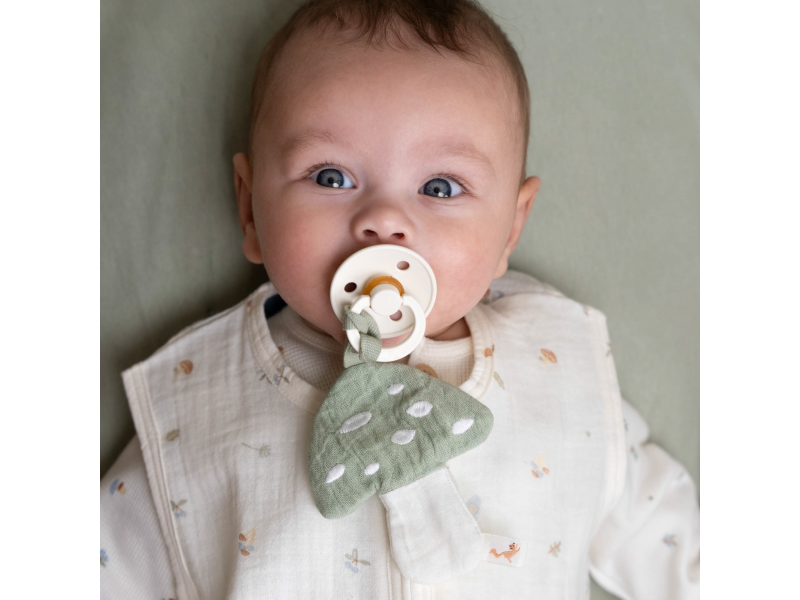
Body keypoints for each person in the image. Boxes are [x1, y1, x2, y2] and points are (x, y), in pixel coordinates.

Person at [100, 1, 699, 598]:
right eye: (330, 176)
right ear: (250, 207)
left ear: (510, 230)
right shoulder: (198, 404)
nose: (385, 219)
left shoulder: (559, 369)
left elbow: (661, 533)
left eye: (440, 186)